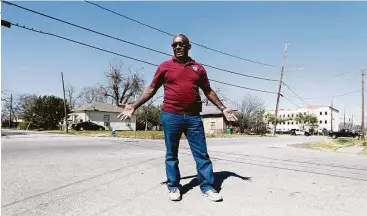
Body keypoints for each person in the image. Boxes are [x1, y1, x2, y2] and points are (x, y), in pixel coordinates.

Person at [117, 34, 238, 202]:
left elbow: (208, 91)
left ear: (189, 46)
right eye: (174, 45)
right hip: (170, 115)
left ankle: (208, 186)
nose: (178, 47)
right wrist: (134, 105)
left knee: (202, 154)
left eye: (181, 44)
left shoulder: (198, 68)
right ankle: (174, 186)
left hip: (193, 117)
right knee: (171, 154)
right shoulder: (165, 67)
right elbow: (152, 88)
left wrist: (223, 108)